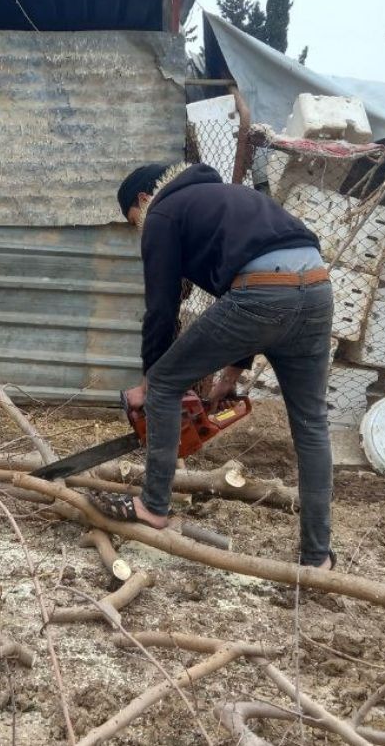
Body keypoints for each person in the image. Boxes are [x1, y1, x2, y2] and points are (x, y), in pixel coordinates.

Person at [90, 160, 337, 570]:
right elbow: (253, 279)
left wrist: (151, 382)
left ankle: (153, 504)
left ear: (143, 199)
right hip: (317, 288)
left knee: (168, 382)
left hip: (263, 293)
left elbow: (161, 310)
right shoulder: (232, 198)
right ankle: (317, 557)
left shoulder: (164, 211)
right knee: (311, 424)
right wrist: (230, 377)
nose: (141, 231)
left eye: (136, 223)